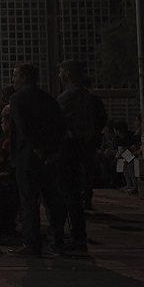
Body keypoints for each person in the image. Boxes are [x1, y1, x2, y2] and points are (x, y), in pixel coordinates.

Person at [8, 63, 67, 256]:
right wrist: (52, 150)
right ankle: (56, 240)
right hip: (48, 157)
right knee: (52, 200)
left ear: (25, 77)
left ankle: (31, 243)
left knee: (29, 202)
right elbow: (59, 126)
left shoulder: (17, 99)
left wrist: (36, 147)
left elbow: (23, 128)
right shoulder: (49, 99)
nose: (13, 79)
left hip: (27, 157)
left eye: (15, 75)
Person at [56, 58, 105, 249]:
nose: (59, 75)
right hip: (81, 147)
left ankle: (75, 236)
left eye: (61, 71)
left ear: (68, 73)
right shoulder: (86, 95)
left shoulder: (71, 96)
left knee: (67, 193)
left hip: (69, 148)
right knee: (73, 193)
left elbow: (55, 117)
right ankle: (75, 234)